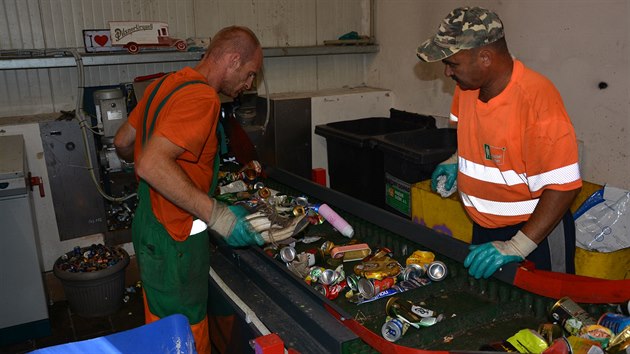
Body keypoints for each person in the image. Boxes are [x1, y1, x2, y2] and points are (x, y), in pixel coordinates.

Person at [114, 25, 265, 354]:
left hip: (150, 227)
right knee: (184, 336)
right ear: (232, 59)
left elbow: (123, 142)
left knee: (161, 328)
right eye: (250, 74)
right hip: (175, 237)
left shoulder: (164, 85)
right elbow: (150, 164)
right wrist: (220, 216)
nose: (249, 84)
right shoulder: (202, 97)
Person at [416, 7, 582, 279]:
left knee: (546, 314)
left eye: (452, 63)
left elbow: (563, 188)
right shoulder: (467, 88)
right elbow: (476, 139)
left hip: (536, 234)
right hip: (485, 228)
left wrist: (518, 245)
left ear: (485, 58)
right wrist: (456, 161)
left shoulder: (537, 102)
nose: (447, 72)